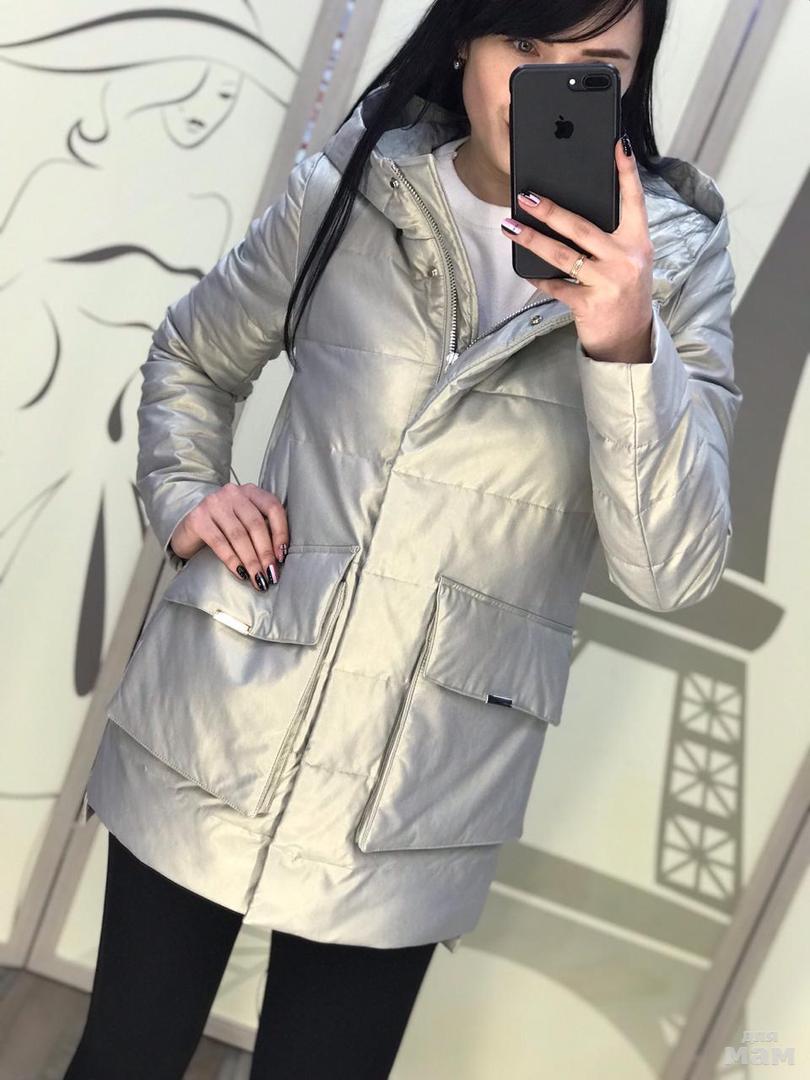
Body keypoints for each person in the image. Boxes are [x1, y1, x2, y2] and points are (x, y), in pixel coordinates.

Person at [69, 0, 743, 1076]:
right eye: (526, 46)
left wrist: (626, 341)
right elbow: (194, 356)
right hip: (218, 716)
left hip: (420, 792)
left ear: (633, 76)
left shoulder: (677, 266)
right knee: (121, 1060)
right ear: (467, 35)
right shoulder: (355, 185)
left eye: (595, 64)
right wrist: (189, 490)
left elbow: (673, 569)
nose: (545, 89)